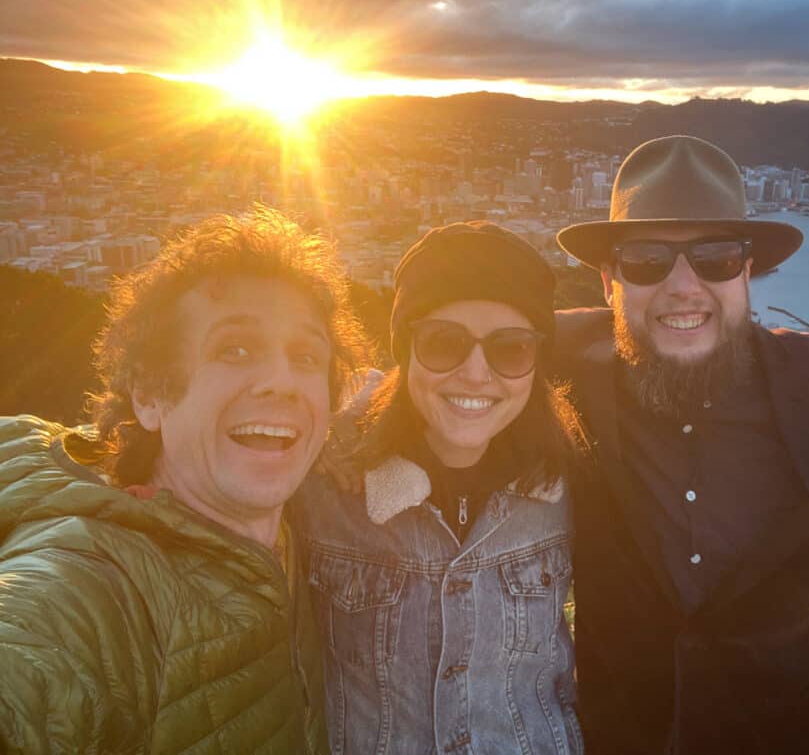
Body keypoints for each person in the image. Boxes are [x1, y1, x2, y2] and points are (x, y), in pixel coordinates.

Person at [0, 206, 367, 753]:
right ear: (149, 394)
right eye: (234, 349)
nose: (281, 381)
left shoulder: (295, 520)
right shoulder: (92, 587)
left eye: (306, 356)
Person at [554, 134, 809, 754]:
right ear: (608, 281)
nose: (682, 286)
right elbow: (448, 368)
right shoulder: (561, 368)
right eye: (646, 260)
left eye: (716, 257)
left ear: (748, 271)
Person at [298, 221, 588, 755]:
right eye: (443, 342)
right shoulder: (323, 479)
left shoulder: (567, 482)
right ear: (405, 349)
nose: (476, 373)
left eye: (511, 349)